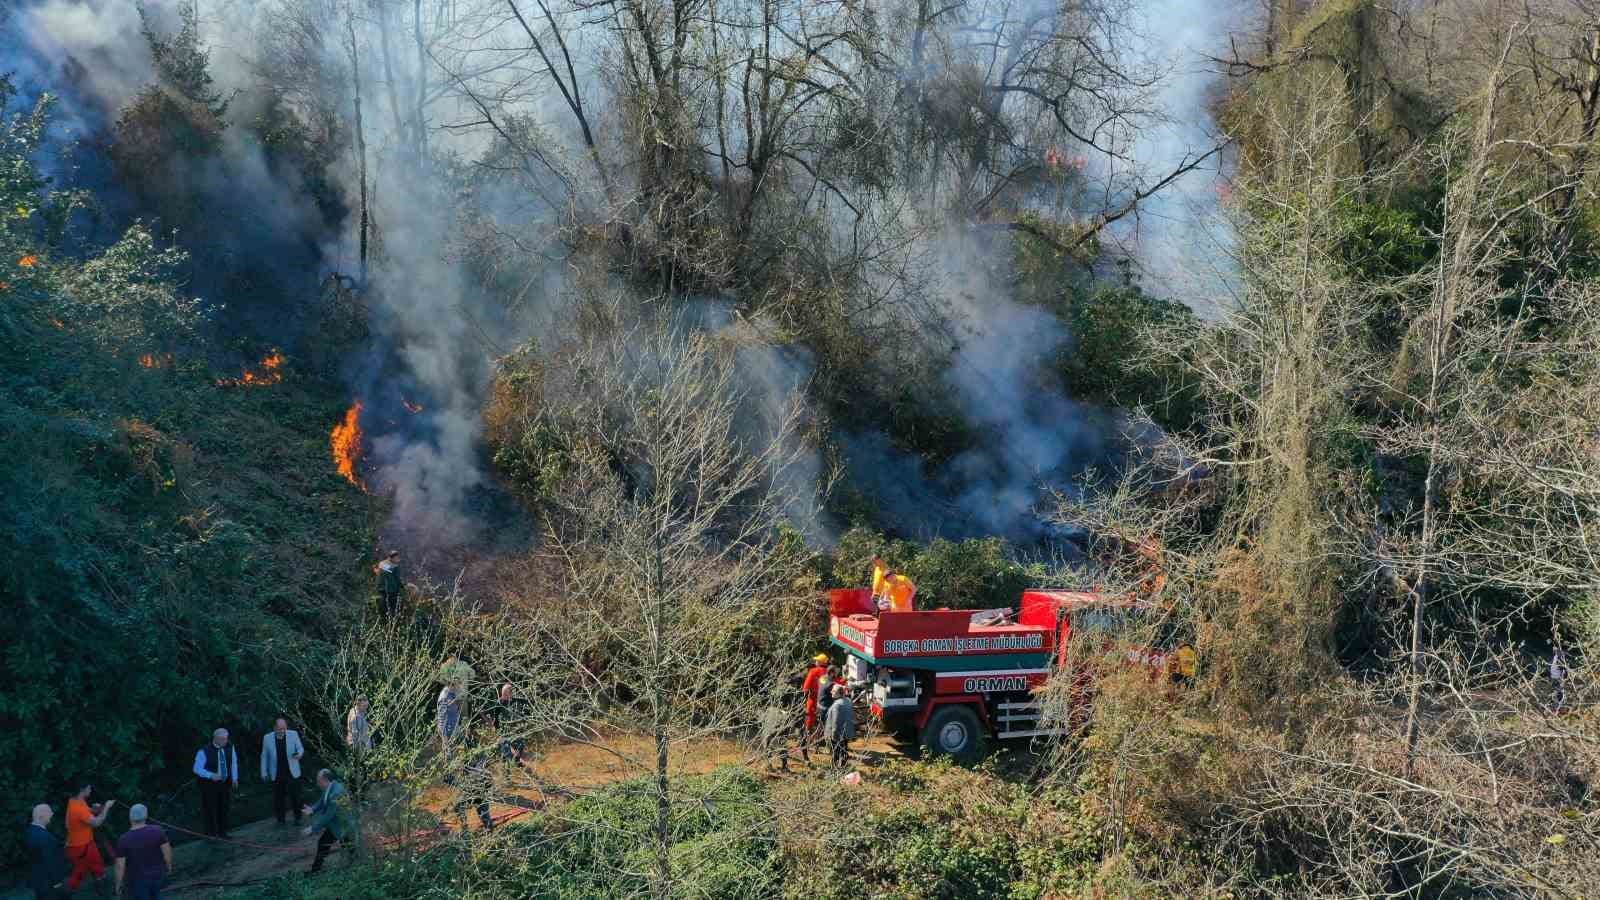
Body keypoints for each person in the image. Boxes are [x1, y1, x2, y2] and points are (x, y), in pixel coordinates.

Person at [63, 782, 114, 893]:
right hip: (80, 847)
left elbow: (68, 823)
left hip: (86, 843)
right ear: (82, 790)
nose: (90, 790)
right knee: (79, 873)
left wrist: (94, 810)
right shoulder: (77, 807)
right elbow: (96, 823)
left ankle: (101, 888)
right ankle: (66, 893)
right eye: (89, 788)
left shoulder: (75, 801)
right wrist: (107, 808)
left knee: (97, 865)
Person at [114, 804, 171, 900]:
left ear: (130, 817)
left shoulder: (123, 839)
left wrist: (118, 884)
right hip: (158, 875)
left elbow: (120, 865)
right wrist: (169, 867)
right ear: (146, 816)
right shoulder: (158, 830)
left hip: (137, 880)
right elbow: (167, 852)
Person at [302, 769, 355, 873]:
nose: (317, 783)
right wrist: (312, 809)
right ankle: (315, 870)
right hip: (336, 825)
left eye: (318, 781)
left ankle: (356, 866)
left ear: (325, 780)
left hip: (342, 826)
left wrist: (313, 828)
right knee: (324, 843)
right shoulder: (330, 787)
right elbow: (322, 801)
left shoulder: (336, 793)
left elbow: (328, 816)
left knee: (350, 847)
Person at [192, 728, 239, 837]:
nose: (225, 741)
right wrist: (210, 775)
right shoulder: (204, 751)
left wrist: (235, 778)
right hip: (209, 785)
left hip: (225, 783)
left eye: (226, 739)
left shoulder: (230, 747)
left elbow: (234, 763)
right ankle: (211, 834)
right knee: (210, 808)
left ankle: (223, 832)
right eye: (222, 739)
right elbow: (196, 768)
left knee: (224, 807)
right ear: (215, 738)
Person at [261, 718, 307, 826]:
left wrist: (299, 754)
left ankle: (298, 818)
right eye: (280, 728)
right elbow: (264, 756)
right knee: (278, 798)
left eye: (284, 728)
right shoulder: (267, 738)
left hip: (292, 771)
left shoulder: (293, 734)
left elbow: (300, 748)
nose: (282, 730)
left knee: (296, 796)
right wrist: (264, 772)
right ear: (274, 728)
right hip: (276, 772)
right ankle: (281, 820)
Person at [26, 803, 67, 899]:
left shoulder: (29, 832)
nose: (51, 816)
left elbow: (38, 854)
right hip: (49, 883)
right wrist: (57, 883)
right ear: (41, 816)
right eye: (49, 814)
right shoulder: (45, 837)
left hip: (38, 881)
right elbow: (49, 861)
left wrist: (58, 846)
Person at [800, 653, 828, 763]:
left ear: (820, 662)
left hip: (813, 701)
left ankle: (807, 742)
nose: (815, 661)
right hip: (825, 702)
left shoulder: (813, 671)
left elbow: (805, 688)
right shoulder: (829, 672)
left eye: (817, 660)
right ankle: (820, 743)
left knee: (809, 722)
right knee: (823, 723)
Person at [823, 684, 856, 768]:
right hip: (846, 732)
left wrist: (833, 736)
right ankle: (843, 767)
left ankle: (835, 769)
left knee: (836, 753)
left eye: (833, 691)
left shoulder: (837, 705)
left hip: (837, 733)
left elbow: (835, 722)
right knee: (844, 750)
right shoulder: (848, 701)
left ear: (838, 693)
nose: (831, 692)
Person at [375, 550, 403, 619]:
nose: (398, 559)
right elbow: (397, 579)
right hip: (392, 590)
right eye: (397, 558)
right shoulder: (395, 567)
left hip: (381, 589)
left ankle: (383, 617)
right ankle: (394, 618)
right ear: (393, 558)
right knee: (394, 607)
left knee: (383, 606)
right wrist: (402, 586)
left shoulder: (381, 563)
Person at [437, 680, 463, 744]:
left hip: (452, 727)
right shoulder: (445, 696)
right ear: (452, 685)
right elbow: (442, 716)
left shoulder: (452, 693)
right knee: (448, 750)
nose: (459, 687)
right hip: (446, 730)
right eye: (458, 685)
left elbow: (456, 710)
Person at [1551, 646, 1570, 713]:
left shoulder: (1556, 658)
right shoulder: (1558, 658)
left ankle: (1558, 708)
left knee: (1558, 693)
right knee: (1560, 692)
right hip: (1557, 678)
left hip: (1556, 678)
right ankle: (1559, 708)